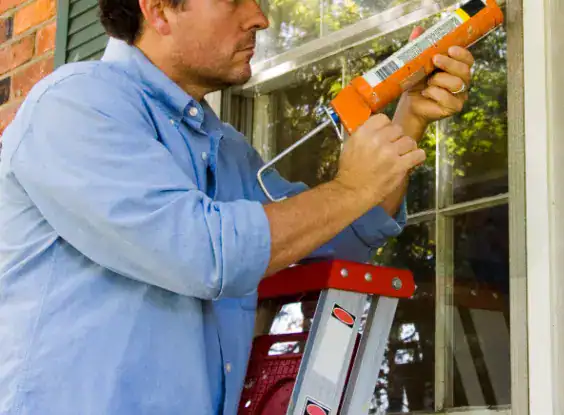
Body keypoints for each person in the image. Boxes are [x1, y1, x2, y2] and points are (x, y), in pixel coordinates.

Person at [0, 0, 475, 411]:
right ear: (159, 10)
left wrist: (408, 118)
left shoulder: (227, 150)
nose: (260, 17)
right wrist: (350, 189)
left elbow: (341, 238)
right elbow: (201, 252)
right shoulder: (76, 104)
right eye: (234, 0)